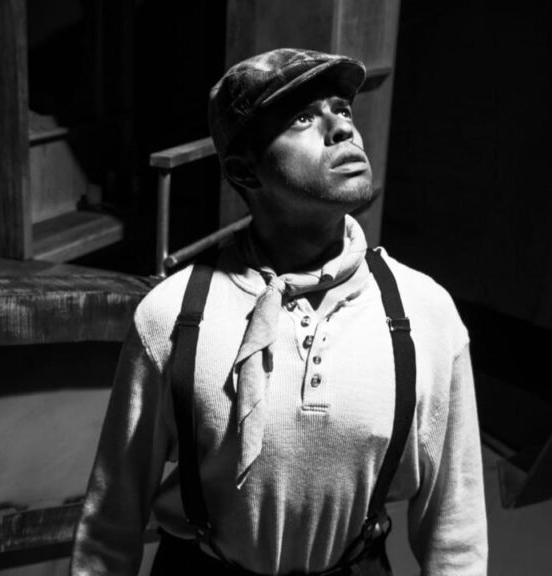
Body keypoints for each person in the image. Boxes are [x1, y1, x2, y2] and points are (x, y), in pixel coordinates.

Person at [70, 47, 487, 576]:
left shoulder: (424, 312)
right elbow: (111, 521)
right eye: (303, 118)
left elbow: (456, 531)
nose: (342, 129)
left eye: (342, 109)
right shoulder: (174, 314)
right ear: (244, 171)